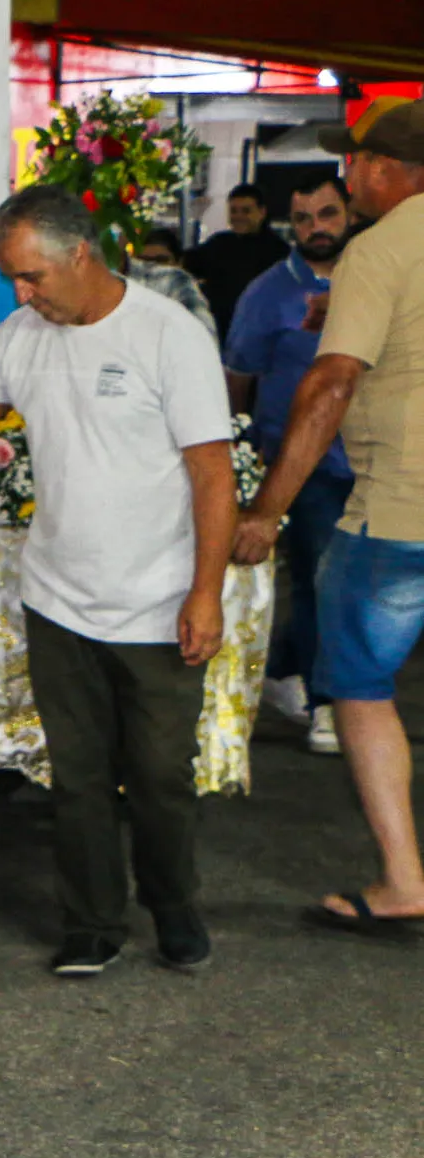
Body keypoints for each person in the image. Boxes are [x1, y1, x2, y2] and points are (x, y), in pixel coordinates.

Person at [0, 185, 236, 977]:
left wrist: (204, 592)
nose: (21, 294)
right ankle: (91, 923)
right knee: (79, 777)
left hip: (158, 600)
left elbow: (212, 474)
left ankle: (172, 905)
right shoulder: (24, 335)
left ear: (80, 255)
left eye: (32, 277)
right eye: (12, 279)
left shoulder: (168, 336)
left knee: (160, 777)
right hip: (58, 596)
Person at [233, 98, 424, 934]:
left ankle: (402, 880)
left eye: (356, 164)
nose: (348, 177)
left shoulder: (378, 249)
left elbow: (329, 384)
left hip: (397, 510)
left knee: (355, 685)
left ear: (385, 171)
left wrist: (267, 508)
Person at [222, 172, 358, 754]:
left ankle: (284, 670)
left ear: (348, 213)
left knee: (354, 583)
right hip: (302, 463)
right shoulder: (267, 293)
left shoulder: (377, 279)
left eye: (327, 215)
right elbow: (239, 377)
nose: (316, 229)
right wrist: (237, 451)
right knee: (322, 579)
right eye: (303, 219)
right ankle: (328, 703)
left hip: (376, 459)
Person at [183, 181, 288, 340]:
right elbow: (186, 264)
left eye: (246, 211)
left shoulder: (279, 252)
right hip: (219, 333)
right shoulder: (218, 244)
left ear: (262, 212)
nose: (238, 217)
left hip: (261, 336)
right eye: (233, 211)